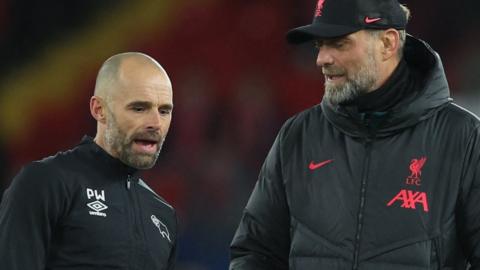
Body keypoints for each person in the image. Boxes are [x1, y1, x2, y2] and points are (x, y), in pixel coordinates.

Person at [230, 0, 480, 269]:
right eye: (319, 45)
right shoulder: (298, 136)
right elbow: (255, 253)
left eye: (338, 44)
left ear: (388, 43)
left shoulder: (462, 138)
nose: (321, 59)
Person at [0, 52, 177, 269]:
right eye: (139, 108)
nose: (156, 123)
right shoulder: (46, 184)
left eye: (164, 111)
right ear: (99, 110)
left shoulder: (163, 214)